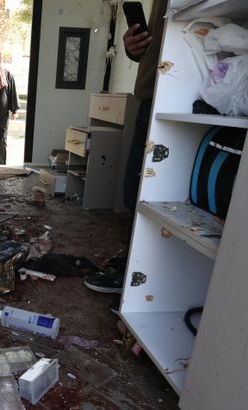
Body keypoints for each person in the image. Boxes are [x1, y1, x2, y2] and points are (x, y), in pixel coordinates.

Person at [84, 0, 168, 294]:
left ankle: (138, 276)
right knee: (136, 190)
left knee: (150, 193)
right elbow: (151, 46)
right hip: (149, 94)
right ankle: (134, 266)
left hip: (173, 98)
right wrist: (134, 49)